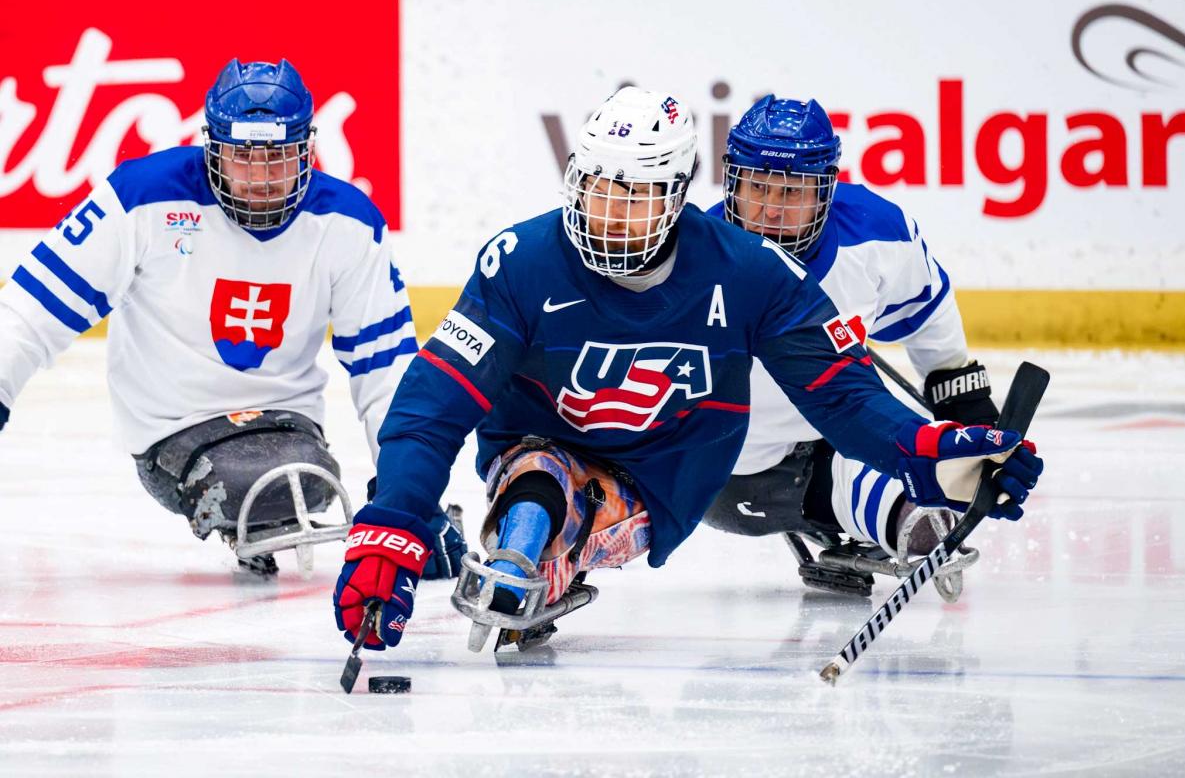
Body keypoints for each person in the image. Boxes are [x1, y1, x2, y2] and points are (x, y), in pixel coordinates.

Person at [331, 87, 1042, 653]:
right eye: (597, 188)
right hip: (543, 444)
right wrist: (391, 523)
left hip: (666, 475)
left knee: (556, 491)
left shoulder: (750, 272)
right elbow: (433, 403)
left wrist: (931, 452)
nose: (609, 214)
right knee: (539, 478)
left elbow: (843, 392)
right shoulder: (517, 261)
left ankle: (555, 543)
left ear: (675, 197)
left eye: (635, 196)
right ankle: (531, 537)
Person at [0, 58, 464, 577]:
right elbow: (32, 310)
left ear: (307, 148)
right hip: (172, 430)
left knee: (303, 480)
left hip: (290, 426)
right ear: (211, 148)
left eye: (279, 157)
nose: (262, 178)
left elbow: (388, 374)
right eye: (243, 157)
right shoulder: (140, 197)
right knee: (253, 485)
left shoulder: (348, 224)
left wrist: (408, 496)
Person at [701, 95, 1004, 600]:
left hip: (835, 438)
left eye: (793, 191)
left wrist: (959, 394)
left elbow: (925, 306)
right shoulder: (694, 258)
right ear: (732, 183)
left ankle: (896, 513)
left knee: (904, 481)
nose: (772, 210)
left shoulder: (878, 235)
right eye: (758, 188)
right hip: (717, 472)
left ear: (825, 191)